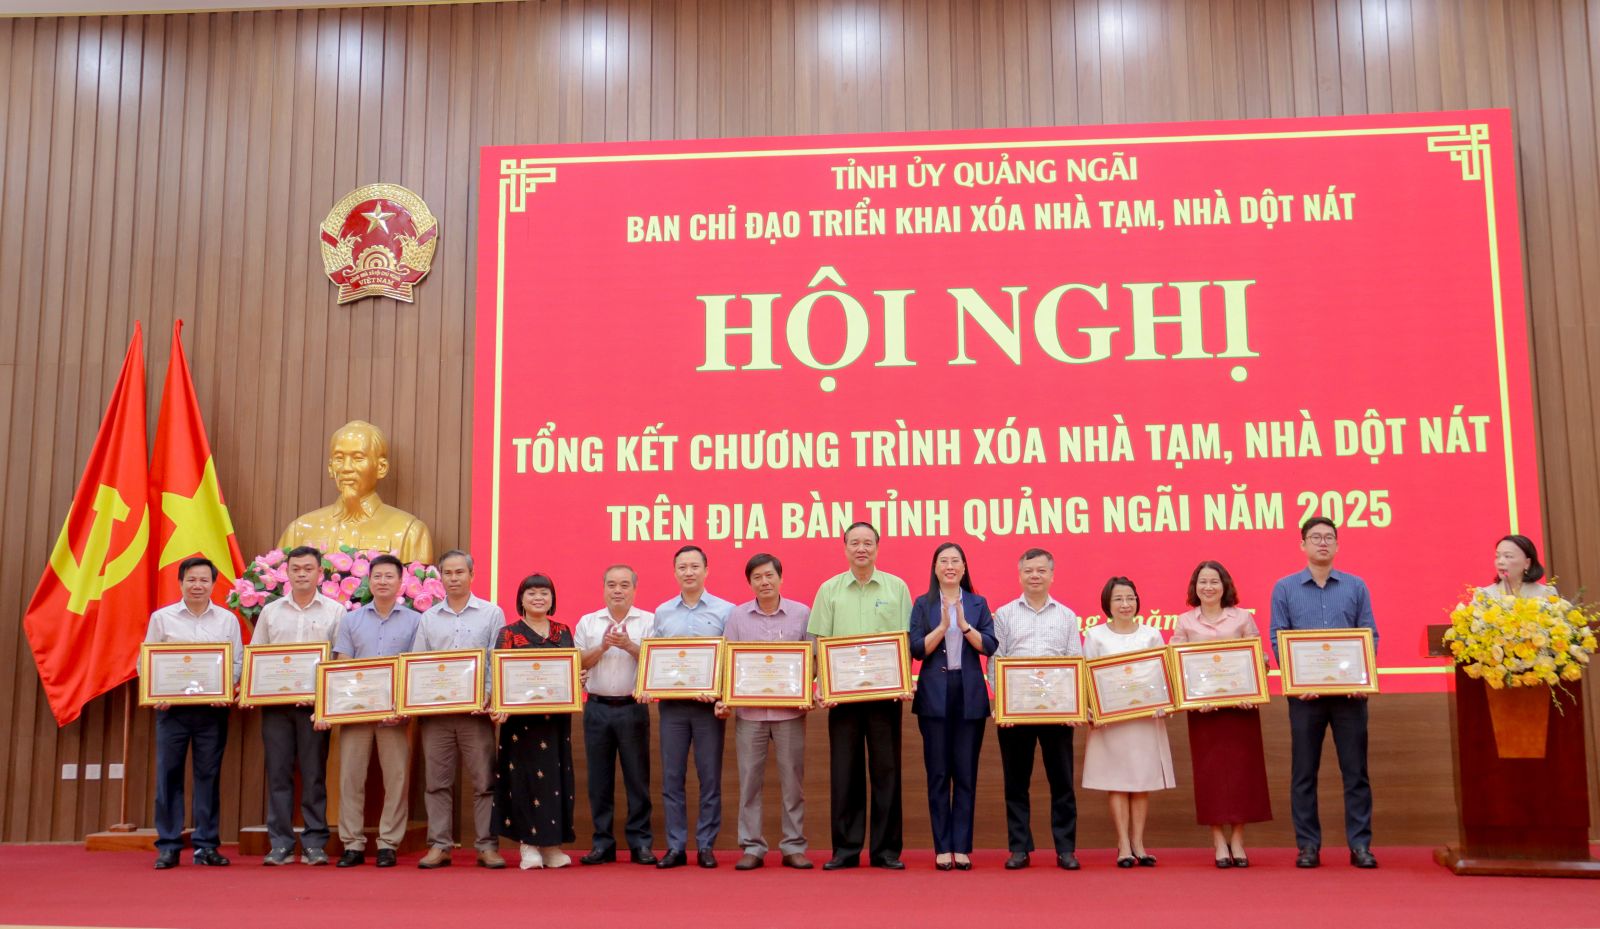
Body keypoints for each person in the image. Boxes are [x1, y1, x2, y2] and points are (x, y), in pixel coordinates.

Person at [1269, 517, 1379, 870]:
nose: (1322, 543)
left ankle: (1360, 845)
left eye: (1328, 537)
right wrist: (1298, 681)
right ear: (1302, 545)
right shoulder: (1285, 588)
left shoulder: (1356, 586)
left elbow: (1369, 635)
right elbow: (1278, 637)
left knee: (1356, 773)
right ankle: (1307, 846)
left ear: (1337, 545)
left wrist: (1361, 678)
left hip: (1349, 698)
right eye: (1315, 537)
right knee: (1304, 773)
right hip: (1305, 699)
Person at [807, 521, 914, 871]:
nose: (861, 548)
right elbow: (818, 643)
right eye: (855, 542)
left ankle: (886, 851)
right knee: (845, 773)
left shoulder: (897, 588)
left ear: (877, 548)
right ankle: (846, 849)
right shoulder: (829, 590)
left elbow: (905, 641)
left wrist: (903, 679)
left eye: (868, 542)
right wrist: (819, 684)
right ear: (845, 548)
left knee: (887, 772)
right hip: (843, 699)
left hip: (885, 696)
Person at [1170, 561, 1272, 868]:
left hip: (1240, 711)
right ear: (1195, 587)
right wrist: (1191, 698)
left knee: (1243, 775)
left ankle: (1237, 840)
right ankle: (1218, 840)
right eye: (1202, 581)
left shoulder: (1242, 618)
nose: (1209, 587)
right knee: (1210, 777)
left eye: (1214, 581)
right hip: (1204, 713)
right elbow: (1176, 665)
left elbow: (1259, 659)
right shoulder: (1185, 622)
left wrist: (1255, 682)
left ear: (1224, 585)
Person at [145, 557, 245, 870]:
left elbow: (237, 662)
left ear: (213, 584)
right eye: (191, 579)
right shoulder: (162, 619)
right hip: (172, 711)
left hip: (211, 713)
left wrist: (225, 690)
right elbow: (146, 661)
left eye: (204, 580)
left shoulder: (227, 620)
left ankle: (206, 845)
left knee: (208, 777)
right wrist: (156, 693)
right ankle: (169, 846)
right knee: (168, 777)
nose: (197, 585)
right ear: (180, 583)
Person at [717, 553, 814, 871]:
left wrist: (806, 690)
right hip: (749, 714)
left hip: (790, 714)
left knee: (793, 784)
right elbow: (728, 663)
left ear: (780, 578)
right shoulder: (737, 616)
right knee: (749, 783)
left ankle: (793, 846)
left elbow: (812, 661)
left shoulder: (801, 613)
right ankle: (752, 846)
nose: (764, 582)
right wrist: (725, 697)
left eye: (769, 575)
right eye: (757, 577)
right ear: (750, 583)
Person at [411, 550, 507, 870]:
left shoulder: (491, 613)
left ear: (472, 575)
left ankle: (487, 846)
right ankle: (439, 845)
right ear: (441, 577)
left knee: (484, 782)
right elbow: (418, 663)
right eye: (448, 573)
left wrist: (489, 695)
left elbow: (495, 659)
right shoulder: (428, 618)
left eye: (459, 572)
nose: (453, 578)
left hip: (476, 713)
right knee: (436, 782)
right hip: (437, 715)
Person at [326, 554, 421, 868]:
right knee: (350, 778)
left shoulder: (415, 621)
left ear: (401, 582)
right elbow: (342, 664)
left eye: (389, 576)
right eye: (377, 576)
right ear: (369, 580)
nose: (383, 581)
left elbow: (415, 668)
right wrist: (345, 705)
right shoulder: (351, 620)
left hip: (394, 714)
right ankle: (352, 844)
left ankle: (388, 844)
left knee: (396, 778)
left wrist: (404, 708)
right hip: (357, 712)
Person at [991, 547, 1083, 871]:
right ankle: (1019, 848)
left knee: (1063, 783)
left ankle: (1066, 849)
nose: (1035, 576)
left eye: (1041, 570)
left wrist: (1073, 706)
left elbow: (1076, 661)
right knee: (1016, 783)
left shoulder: (1067, 616)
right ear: (1020, 575)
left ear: (1052, 575)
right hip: (1016, 714)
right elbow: (995, 662)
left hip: (1057, 712)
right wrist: (1002, 706)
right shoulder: (1004, 614)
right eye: (1029, 570)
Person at [643, 545, 733, 869]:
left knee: (709, 779)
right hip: (672, 708)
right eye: (683, 567)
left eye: (695, 566)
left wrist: (721, 693)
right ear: (675, 572)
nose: (689, 572)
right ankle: (676, 846)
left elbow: (730, 660)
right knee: (672, 778)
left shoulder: (726, 611)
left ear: (707, 571)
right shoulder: (663, 612)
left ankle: (706, 846)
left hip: (709, 709)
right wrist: (649, 685)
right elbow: (656, 658)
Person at [252, 546, 342, 866]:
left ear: (320, 573)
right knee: (278, 774)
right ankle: (280, 843)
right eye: (296, 569)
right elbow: (256, 655)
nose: (302, 574)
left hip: (315, 708)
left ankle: (315, 842)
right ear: (286, 572)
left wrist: (323, 699)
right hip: (276, 706)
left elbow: (339, 661)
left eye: (308, 568)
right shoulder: (270, 612)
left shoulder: (335, 611)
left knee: (314, 775)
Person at [908, 542, 996, 870]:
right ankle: (942, 847)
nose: (949, 566)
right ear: (935, 568)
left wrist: (964, 625)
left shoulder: (977, 603)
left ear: (963, 568)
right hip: (934, 695)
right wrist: (943, 627)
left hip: (969, 694)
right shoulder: (923, 604)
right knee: (938, 773)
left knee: (966, 773)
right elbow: (917, 649)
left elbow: (989, 645)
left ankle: (961, 846)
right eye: (943, 561)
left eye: (955, 561)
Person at [1082, 576, 1174, 868]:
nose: (1125, 604)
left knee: (1141, 781)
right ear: (1107, 604)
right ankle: (1123, 844)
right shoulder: (1095, 636)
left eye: (1130, 598)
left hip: (1144, 719)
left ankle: (1139, 844)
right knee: (1118, 781)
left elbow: (1163, 674)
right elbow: (1087, 677)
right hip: (1112, 722)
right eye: (1119, 599)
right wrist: (1091, 709)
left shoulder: (1151, 634)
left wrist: (1164, 702)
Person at [491, 574, 577, 870]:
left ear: (552, 599)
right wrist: (500, 705)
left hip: (555, 720)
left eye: (544, 593)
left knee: (555, 780)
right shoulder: (508, 633)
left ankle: (552, 845)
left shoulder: (563, 631)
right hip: (520, 723)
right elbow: (499, 674)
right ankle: (528, 845)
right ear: (521, 599)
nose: (538, 598)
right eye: (531, 593)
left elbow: (570, 669)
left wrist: (577, 678)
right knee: (524, 779)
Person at [572, 565, 656, 865]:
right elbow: (578, 662)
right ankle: (602, 843)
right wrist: (604, 646)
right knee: (599, 780)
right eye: (611, 584)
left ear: (634, 589)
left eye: (624, 585)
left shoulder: (649, 621)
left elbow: (656, 660)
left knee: (637, 779)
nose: (617, 590)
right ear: (604, 588)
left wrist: (630, 645)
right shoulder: (588, 621)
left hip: (633, 708)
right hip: (596, 708)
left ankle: (640, 843)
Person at [277, 420, 433, 562]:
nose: (346, 468)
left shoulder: (409, 531)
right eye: (339, 458)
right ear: (330, 468)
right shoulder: (299, 530)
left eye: (358, 458)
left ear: (381, 467)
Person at [1484, 534, 1556, 599]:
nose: (1500, 562)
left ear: (1527, 563)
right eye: (1497, 556)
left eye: (1508, 556)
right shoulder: (1485, 595)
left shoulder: (1546, 594)